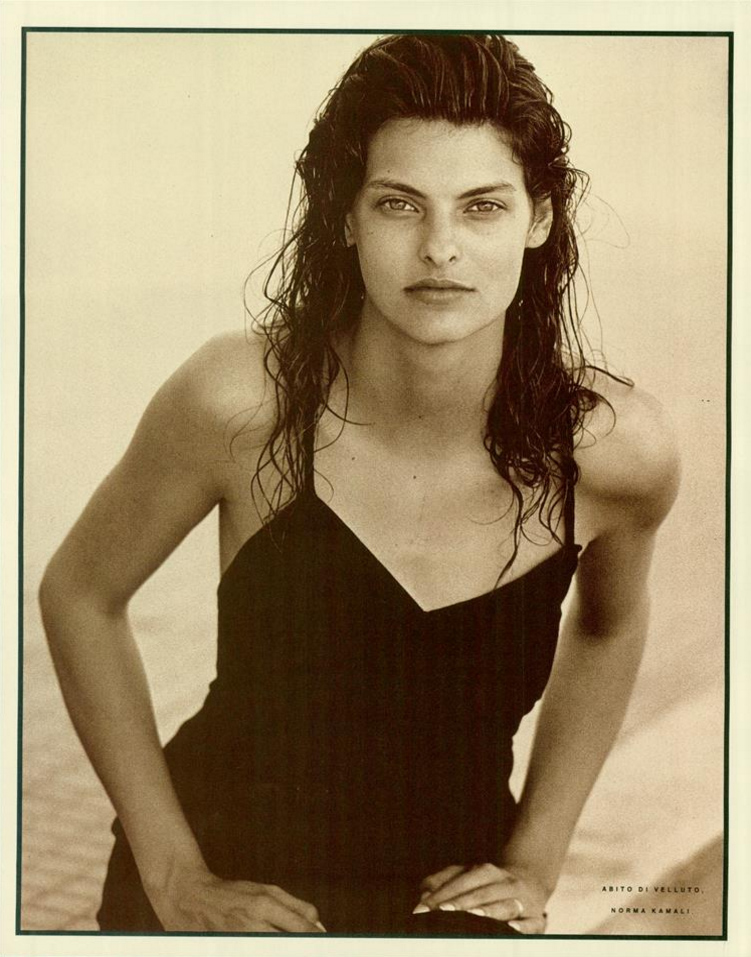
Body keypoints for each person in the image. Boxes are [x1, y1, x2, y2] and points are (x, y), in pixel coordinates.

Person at [38, 33, 680, 936]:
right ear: (344, 215)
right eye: (398, 204)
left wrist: (536, 858)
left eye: (482, 207)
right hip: (224, 879)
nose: (439, 248)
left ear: (538, 218)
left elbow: (608, 627)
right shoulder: (242, 402)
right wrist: (175, 870)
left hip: (445, 891)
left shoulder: (612, 451)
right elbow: (79, 591)